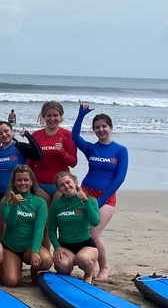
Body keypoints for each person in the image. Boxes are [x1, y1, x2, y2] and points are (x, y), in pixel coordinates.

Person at [71, 102, 129, 282]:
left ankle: (104, 267)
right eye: (97, 127)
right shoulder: (91, 148)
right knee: (83, 231)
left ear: (110, 127)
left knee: (94, 234)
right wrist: (81, 115)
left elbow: (120, 177)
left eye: (104, 126)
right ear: (94, 130)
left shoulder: (120, 150)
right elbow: (74, 136)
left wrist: (102, 200)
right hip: (86, 193)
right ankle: (89, 265)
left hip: (107, 196)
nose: (101, 129)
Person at [0, 165, 52, 287]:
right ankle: (6, 267)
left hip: (29, 247)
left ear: (31, 182)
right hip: (10, 247)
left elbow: (39, 229)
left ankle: (34, 269)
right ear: (14, 182)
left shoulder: (40, 202)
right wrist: (14, 206)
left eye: (26, 180)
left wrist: (35, 251)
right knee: (11, 282)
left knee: (46, 261)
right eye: (19, 180)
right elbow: (10, 224)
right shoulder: (6, 200)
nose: (22, 183)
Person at [49, 171, 101, 284]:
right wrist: (57, 247)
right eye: (61, 185)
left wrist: (86, 202)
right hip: (65, 245)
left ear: (75, 182)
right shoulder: (56, 204)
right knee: (61, 266)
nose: (66, 186)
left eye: (68, 182)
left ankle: (88, 275)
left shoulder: (91, 200)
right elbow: (51, 230)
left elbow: (95, 222)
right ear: (58, 188)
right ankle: (68, 274)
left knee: (83, 259)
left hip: (86, 244)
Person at [31, 101, 78, 199]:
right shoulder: (35, 135)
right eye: (49, 115)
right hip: (40, 183)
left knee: (58, 213)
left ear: (60, 116)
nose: (52, 119)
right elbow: (30, 162)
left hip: (62, 183)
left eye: (55, 115)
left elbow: (73, 163)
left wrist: (62, 152)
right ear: (43, 116)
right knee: (44, 213)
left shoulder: (67, 135)